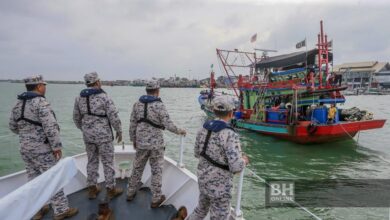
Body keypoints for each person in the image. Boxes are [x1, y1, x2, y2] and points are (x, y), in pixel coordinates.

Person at [9, 75, 78, 220]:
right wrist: (56, 147)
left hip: (25, 149)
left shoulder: (17, 104)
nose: (45, 87)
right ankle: (61, 210)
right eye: (44, 85)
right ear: (39, 86)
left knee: (33, 180)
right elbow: (51, 127)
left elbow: (13, 127)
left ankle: (38, 210)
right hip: (42, 149)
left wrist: (27, 135)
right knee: (53, 178)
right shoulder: (40, 103)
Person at [188, 95, 249, 220]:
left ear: (214, 111)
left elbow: (196, 153)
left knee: (200, 210)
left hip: (203, 179)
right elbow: (236, 167)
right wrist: (244, 160)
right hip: (220, 187)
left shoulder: (203, 128)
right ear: (231, 113)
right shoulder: (230, 134)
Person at [127, 80, 186, 208]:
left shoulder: (137, 104)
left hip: (141, 143)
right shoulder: (159, 105)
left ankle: (130, 193)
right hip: (156, 145)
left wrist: (133, 140)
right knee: (156, 171)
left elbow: (132, 124)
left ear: (146, 90)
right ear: (157, 91)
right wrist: (179, 131)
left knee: (137, 168)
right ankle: (156, 199)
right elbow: (168, 124)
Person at [73, 72, 123, 200]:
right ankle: (111, 189)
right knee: (108, 162)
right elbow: (113, 116)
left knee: (91, 161)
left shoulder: (79, 97)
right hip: (104, 136)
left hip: (88, 136)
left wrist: (84, 129)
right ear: (97, 82)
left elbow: (76, 118)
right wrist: (119, 130)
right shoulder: (104, 97)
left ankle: (92, 189)